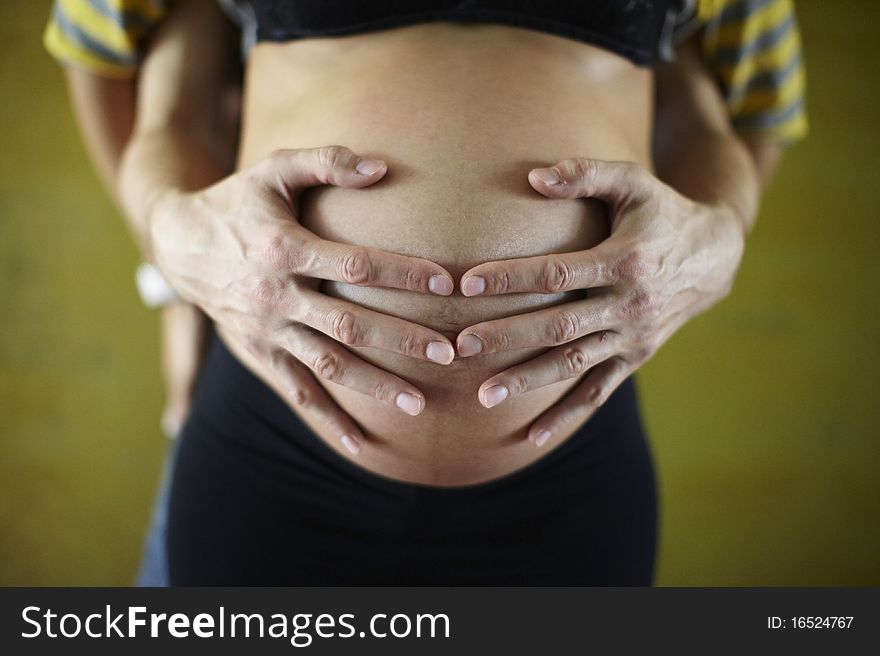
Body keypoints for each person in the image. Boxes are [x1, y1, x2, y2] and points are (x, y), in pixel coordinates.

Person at [46, 0, 807, 585]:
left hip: (569, 465)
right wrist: (170, 252)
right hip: (274, 444)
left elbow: (742, 101)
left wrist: (721, 236)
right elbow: (107, 49)